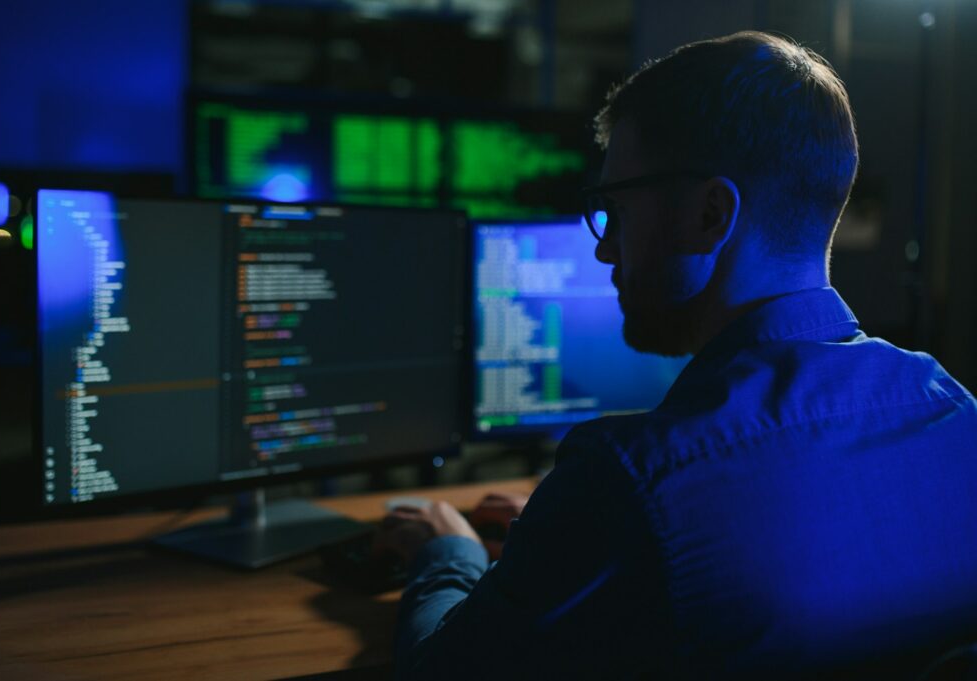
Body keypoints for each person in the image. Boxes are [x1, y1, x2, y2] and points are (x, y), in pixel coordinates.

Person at [375, 31, 977, 679]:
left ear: (710, 214)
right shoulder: (952, 413)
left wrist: (450, 554)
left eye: (615, 210)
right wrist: (568, 542)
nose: (605, 251)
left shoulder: (631, 477)